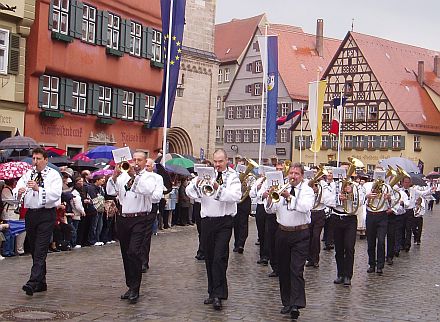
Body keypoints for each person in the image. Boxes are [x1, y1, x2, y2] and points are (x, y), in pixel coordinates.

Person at [185, 149, 241, 311]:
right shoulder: (206, 173)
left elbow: (235, 196)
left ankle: (219, 294)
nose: (217, 165)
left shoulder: (233, 177)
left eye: (220, 161)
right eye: (215, 161)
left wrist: (217, 187)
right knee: (209, 257)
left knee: (219, 257)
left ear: (226, 160)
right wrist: (196, 183)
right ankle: (212, 291)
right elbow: (190, 193)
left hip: (224, 221)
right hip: (207, 220)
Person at [106, 152, 162, 304]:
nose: (136, 163)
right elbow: (110, 192)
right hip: (124, 218)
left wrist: (134, 176)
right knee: (125, 253)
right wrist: (114, 176)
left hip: (141, 218)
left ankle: (136, 288)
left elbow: (147, 191)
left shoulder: (150, 177)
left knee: (134, 251)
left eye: (139, 160)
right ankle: (130, 285)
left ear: (145, 162)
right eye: (134, 160)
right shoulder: (123, 175)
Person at [264, 162, 314, 320]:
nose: (293, 176)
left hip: (301, 233)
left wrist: (289, 196)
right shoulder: (281, 187)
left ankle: (296, 304)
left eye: (296, 174)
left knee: (296, 269)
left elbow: (305, 207)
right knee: (284, 270)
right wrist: (269, 198)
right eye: (291, 173)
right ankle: (287, 301)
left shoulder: (307, 190)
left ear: (302, 176)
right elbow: (270, 210)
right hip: (282, 232)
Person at [13, 147, 62, 296]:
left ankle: (32, 282)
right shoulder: (28, 174)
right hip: (31, 214)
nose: (35, 162)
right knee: (34, 248)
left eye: (38, 159)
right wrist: (19, 191)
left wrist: (38, 188)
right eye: (34, 158)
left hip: (46, 214)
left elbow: (55, 194)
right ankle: (41, 282)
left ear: (45, 160)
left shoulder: (53, 175)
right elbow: (17, 188)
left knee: (40, 248)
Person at [141, 158, 164, 272]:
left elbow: (156, 197)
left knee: (146, 235)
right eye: (144, 166)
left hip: (151, 207)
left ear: (153, 167)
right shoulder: (139, 176)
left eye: (148, 166)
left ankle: (144, 262)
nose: (146, 168)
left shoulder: (157, 178)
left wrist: (144, 193)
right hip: (138, 207)